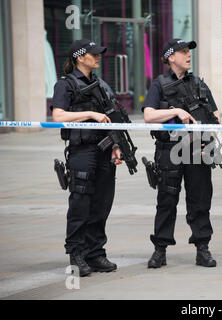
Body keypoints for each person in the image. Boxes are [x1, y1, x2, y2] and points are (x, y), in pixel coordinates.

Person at [142, 38, 221, 268]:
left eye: (189, 52)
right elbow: (148, 115)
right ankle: (160, 249)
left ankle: (202, 247)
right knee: (166, 200)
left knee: (200, 200)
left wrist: (210, 138)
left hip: (198, 149)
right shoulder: (159, 84)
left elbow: (215, 115)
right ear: (170, 57)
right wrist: (176, 110)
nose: (188, 55)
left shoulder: (198, 83)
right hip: (169, 149)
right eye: (183, 51)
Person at [51, 39, 121, 277]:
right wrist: (90, 113)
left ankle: (95, 253)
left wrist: (116, 146)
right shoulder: (66, 85)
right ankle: (76, 253)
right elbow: (58, 115)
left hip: (103, 150)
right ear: (80, 57)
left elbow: (111, 117)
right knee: (81, 204)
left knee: (102, 203)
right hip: (82, 150)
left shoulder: (101, 84)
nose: (98, 57)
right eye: (94, 54)